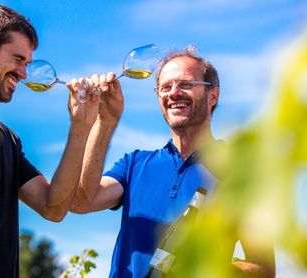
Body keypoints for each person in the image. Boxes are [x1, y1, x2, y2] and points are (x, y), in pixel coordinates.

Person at [69, 46, 276, 277]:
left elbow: (264, 268)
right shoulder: (135, 164)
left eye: (186, 84)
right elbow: (82, 202)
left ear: (213, 95)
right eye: (165, 87)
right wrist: (106, 122)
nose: (173, 93)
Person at [0, 4, 101, 278]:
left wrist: (81, 127)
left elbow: (53, 207)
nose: (23, 73)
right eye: (17, 59)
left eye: (27, 64)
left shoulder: (7, 139)